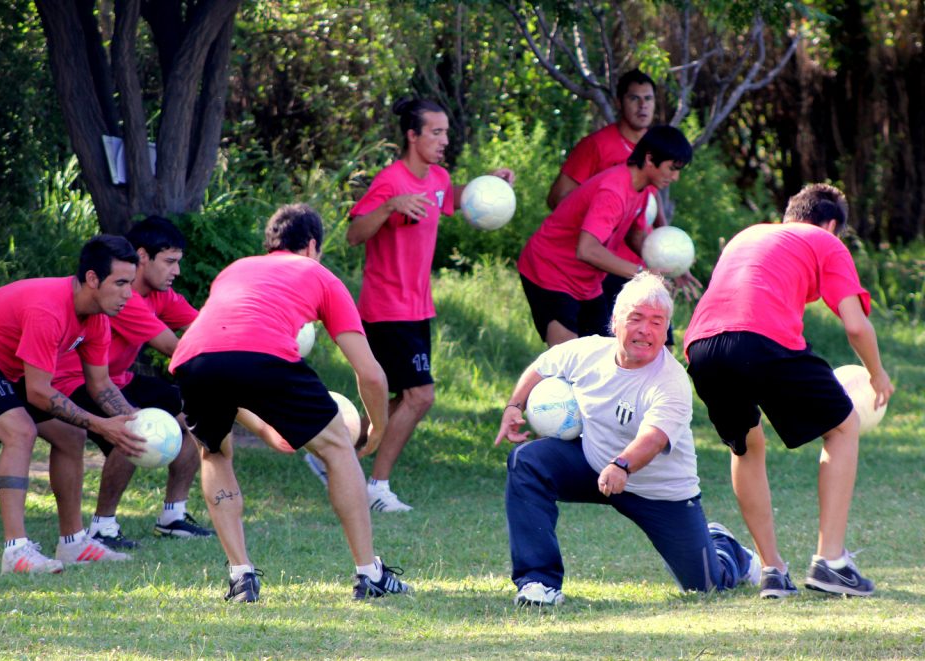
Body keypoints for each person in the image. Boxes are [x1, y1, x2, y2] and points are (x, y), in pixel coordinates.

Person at [170, 203, 412, 602]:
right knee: (337, 447)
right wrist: (377, 430)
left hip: (192, 357)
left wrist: (271, 431)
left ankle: (241, 576)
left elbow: (229, 366)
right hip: (266, 354)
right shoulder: (319, 274)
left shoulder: (234, 270)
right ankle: (369, 574)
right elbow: (370, 374)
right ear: (312, 245)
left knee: (214, 452)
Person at [494, 272, 759, 606]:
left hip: (660, 492)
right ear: (615, 321)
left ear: (665, 332)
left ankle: (726, 548)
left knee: (705, 587)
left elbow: (653, 437)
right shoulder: (587, 352)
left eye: (656, 322)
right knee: (527, 461)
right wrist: (514, 406)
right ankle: (538, 583)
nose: (645, 330)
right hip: (594, 467)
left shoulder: (672, 380)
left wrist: (622, 465)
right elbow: (543, 366)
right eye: (635, 319)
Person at [684, 183, 895, 599]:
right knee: (842, 426)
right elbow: (855, 324)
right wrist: (878, 374)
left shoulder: (749, 235)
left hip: (701, 345)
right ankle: (831, 562)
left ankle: (773, 571)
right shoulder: (825, 241)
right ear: (831, 223)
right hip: (762, 339)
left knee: (746, 445)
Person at [0, 235, 146, 574]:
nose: (128, 294)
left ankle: (73, 543)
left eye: (130, 283)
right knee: (21, 431)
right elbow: (39, 393)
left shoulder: (98, 317)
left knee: (71, 437)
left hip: (7, 365)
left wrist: (137, 421)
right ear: (92, 279)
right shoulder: (49, 309)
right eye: (119, 283)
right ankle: (15, 551)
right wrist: (102, 425)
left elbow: (101, 384)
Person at [344, 96, 515, 512]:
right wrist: (389, 206)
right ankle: (377, 488)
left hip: (418, 308)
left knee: (392, 401)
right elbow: (354, 232)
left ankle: (335, 454)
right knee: (420, 396)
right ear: (412, 135)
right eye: (435, 133)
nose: (443, 141)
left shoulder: (437, 177)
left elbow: (452, 196)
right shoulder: (390, 180)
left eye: (445, 133)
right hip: (387, 308)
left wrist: (487, 183)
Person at [49, 217, 212, 549]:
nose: (176, 271)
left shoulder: (162, 296)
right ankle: (102, 526)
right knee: (134, 427)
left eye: (178, 262)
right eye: (169, 262)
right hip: (74, 381)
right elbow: (173, 347)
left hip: (118, 379)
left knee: (198, 411)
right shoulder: (124, 298)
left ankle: (173, 516)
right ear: (142, 256)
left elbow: (203, 326)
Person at [545, 70, 695, 337]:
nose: (642, 106)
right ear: (619, 103)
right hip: (605, 264)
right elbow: (557, 199)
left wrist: (670, 257)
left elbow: (649, 203)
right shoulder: (598, 147)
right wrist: (598, 219)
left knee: (659, 345)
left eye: (648, 98)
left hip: (640, 261)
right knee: (601, 350)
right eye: (634, 99)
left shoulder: (659, 147)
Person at [518, 125, 692, 347]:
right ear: (650, 159)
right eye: (672, 168)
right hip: (550, 271)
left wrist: (673, 265)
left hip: (587, 283)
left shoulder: (641, 188)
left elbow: (635, 235)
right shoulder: (614, 191)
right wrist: (641, 273)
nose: (675, 177)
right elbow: (587, 249)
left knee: (603, 357)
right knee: (565, 364)